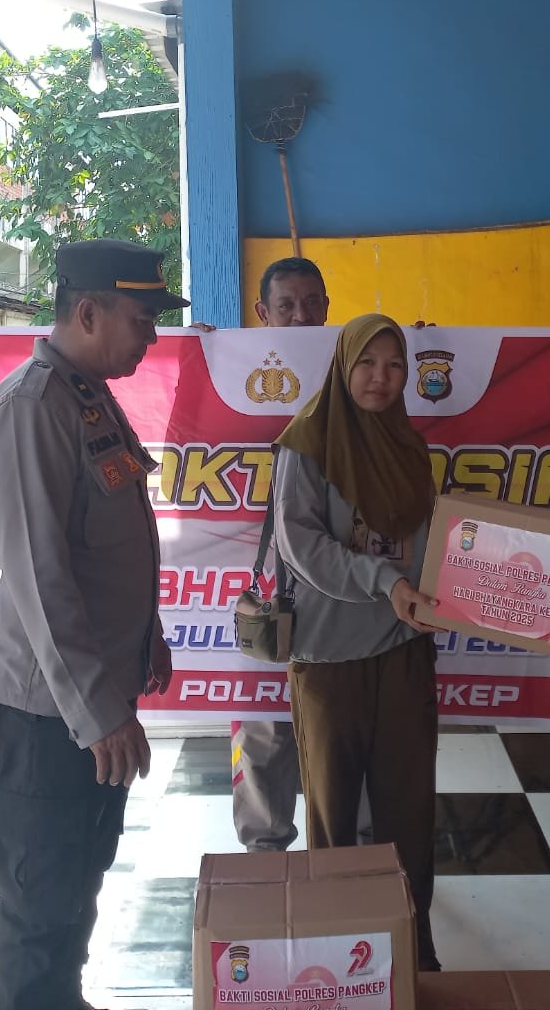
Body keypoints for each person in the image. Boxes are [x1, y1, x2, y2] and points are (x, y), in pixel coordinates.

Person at [0, 239, 183, 1010]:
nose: (152, 333)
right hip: (47, 710)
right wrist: (98, 714)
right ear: (87, 312)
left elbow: (111, 537)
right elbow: (41, 579)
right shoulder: (30, 408)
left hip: (89, 694)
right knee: (40, 898)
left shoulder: (84, 393)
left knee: (78, 879)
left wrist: (147, 635)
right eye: (142, 317)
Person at [273, 313, 443, 970]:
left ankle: (412, 948)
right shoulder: (307, 443)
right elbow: (301, 544)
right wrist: (385, 581)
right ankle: (336, 953)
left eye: (395, 365)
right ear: (343, 366)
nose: (381, 377)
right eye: (367, 363)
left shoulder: (408, 445)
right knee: (333, 816)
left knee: (409, 812)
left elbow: (429, 540)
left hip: (403, 650)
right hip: (329, 658)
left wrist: (455, 585)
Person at [231, 256, 331, 852]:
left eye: (311, 303)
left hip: (336, 587)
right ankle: (265, 855)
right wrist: (198, 353)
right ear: (262, 313)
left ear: (327, 306)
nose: (300, 316)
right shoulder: (236, 371)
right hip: (265, 588)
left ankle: (349, 859)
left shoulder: (353, 367)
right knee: (264, 727)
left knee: (339, 731)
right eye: (286, 305)